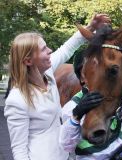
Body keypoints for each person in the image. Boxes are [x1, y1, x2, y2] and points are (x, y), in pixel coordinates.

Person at [4, 14, 111, 160]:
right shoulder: (16, 100)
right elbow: (19, 151)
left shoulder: (47, 73)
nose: (49, 50)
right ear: (28, 61)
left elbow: (67, 48)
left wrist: (91, 27)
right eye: (43, 49)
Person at [59, 53, 122, 160]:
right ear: (82, 77)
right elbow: (66, 145)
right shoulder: (71, 107)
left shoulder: (111, 98)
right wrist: (76, 116)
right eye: (92, 70)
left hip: (120, 154)